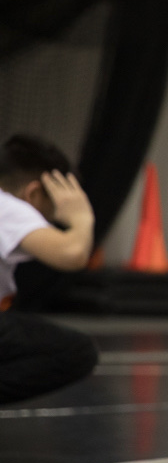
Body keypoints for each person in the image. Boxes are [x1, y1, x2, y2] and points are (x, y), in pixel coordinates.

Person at [0, 134, 98, 404]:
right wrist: (81, 217)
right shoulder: (9, 206)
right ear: (33, 193)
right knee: (75, 351)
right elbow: (72, 253)